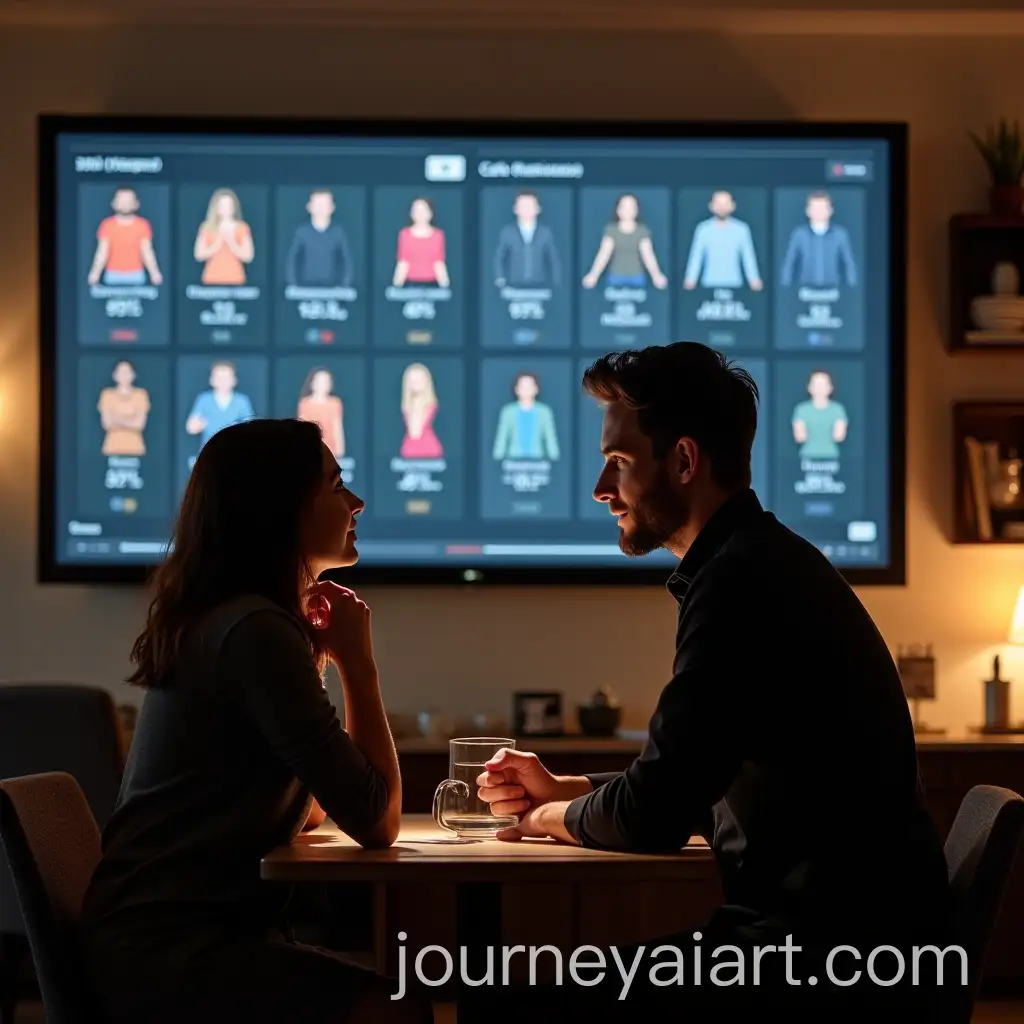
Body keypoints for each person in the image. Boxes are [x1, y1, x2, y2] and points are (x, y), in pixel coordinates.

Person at [474, 342, 952, 1018]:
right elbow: (703, 781)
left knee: (501, 1005)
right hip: (857, 949)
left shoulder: (739, 583)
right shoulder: (757, 562)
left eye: (619, 463)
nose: (601, 489)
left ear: (685, 461)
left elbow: (656, 813)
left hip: (818, 966)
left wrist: (547, 817)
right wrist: (573, 789)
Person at [79, 418, 431, 1024]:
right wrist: (358, 665)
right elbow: (377, 820)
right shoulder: (254, 631)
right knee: (398, 1008)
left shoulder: (239, 620)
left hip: (149, 939)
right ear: (284, 509)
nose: (356, 502)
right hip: (164, 955)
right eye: (336, 484)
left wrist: (318, 663)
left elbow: (311, 808)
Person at [582, 192, 667, 290]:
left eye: (631, 207)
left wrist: (656, 276)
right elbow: (604, 254)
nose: (628, 211)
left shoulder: (642, 231)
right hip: (615, 278)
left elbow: (648, 255)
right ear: (618, 210)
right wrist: (593, 275)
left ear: (636, 210)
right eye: (624, 207)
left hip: (637, 279)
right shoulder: (611, 230)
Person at [683, 189, 762, 291]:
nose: (722, 208)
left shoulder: (742, 229)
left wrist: (754, 279)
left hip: (734, 285)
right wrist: (690, 279)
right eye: (718, 204)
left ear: (732, 206)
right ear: (711, 206)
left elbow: (748, 256)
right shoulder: (703, 229)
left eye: (725, 204)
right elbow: (696, 256)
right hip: (709, 285)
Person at [87, 186, 164, 287]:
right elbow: (102, 252)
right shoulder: (107, 225)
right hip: (112, 274)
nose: (125, 204)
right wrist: (95, 273)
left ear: (136, 204)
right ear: (114, 204)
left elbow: (147, 251)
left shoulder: (142, 225)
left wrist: (154, 273)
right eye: (121, 201)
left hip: (136, 274)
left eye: (128, 201)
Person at [286, 189, 354, 288]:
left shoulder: (338, 233)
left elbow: (345, 261)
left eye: (324, 205)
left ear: (332, 208)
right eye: (318, 205)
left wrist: (344, 285)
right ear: (309, 207)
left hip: (332, 288)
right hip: (306, 288)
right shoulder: (301, 233)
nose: (321, 209)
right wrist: (294, 284)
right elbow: (293, 260)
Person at [186, 361, 256, 450]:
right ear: (211, 380)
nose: (223, 381)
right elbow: (191, 428)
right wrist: (198, 424)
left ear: (234, 380)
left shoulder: (241, 401)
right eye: (219, 378)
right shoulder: (204, 400)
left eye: (226, 378)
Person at [193, 187, 255, 285]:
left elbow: (248, 256)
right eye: (222, 206)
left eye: (229, 205)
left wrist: (231, 242)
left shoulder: (242, 228)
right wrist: (218, 242)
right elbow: (199, 255)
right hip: (211, 278)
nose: (226, 209)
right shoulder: (206, 227)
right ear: (216, 208)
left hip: (235, 278)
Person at [492, 372, 560, 461]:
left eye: (529, 386)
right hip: (513, 461)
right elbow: (502, 438)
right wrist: (497, 460)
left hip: (538, 461)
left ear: (536, 389)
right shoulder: (508, 412)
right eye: (522, 387)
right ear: (516, 389)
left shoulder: (544, 412)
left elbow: (550, 438)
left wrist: (555, 459)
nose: (526, 390)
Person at [98, 359, 150, 456]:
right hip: (111, 448)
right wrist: (130, 420)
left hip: (135, 448)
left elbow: (139, 424)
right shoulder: (107, 395)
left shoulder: (141, 395)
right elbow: (107, 423)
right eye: (121, 372)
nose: (124, 376)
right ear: (115, 376)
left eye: (127, 372)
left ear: (133, 376)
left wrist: (116, 420)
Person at [392, 197, 448, 288]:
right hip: (410, 284)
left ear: (430, 213)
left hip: (432, 284)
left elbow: (439, 263)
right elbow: (403, 262)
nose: (420, 214)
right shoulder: (405, 234)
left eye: (423, 210)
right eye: (416, 211)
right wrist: (397, 285)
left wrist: (445, 285)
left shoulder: (438, 235)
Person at [298, 367, 346, 458]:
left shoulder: (335, 403)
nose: (322, 385)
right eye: (319, 382)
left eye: (325, 382)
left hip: (330, 450)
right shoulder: (305, 403)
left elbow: (337, 427)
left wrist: (340, 449)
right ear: (312, 384)